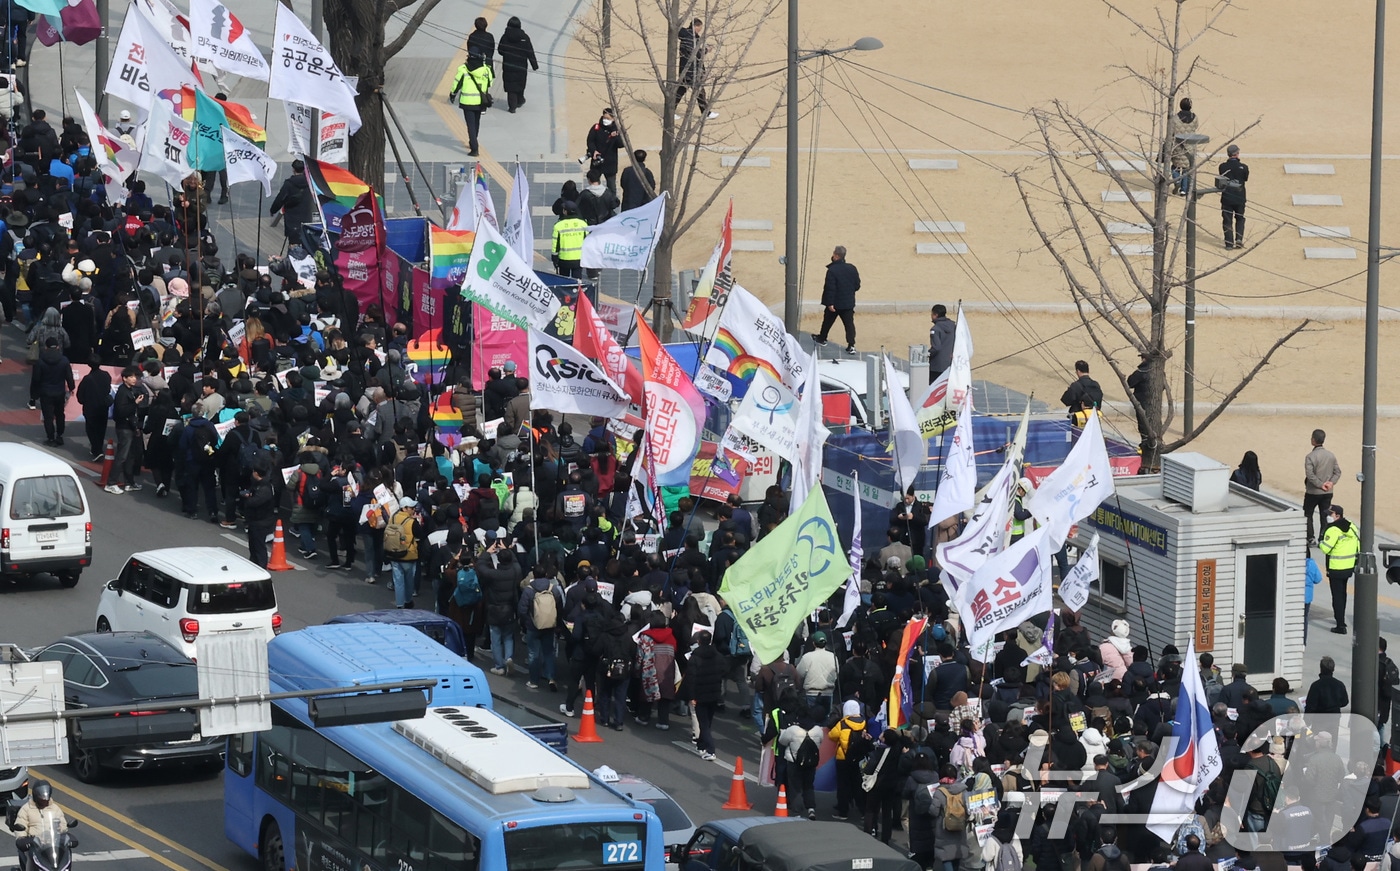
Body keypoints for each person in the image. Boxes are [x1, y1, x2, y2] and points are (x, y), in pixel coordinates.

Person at [810, 245, 861, 354]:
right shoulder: (852, 268)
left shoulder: (832, 270)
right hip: (848, 303)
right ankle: (851, 345)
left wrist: (830, 303)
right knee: (849, 325)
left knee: (827, 322)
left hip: (835, 303)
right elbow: (857, 285)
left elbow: (830, 288)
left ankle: (822, 338)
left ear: (836, 256)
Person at [1318, 504, 1359, 634]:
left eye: (1330, 514)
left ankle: (1340, 625)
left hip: (1336, 567)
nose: (1327, 516)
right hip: (1348, 565)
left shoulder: (1333, 530)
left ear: (1337, 516)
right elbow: (1358, 542)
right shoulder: (1351, 525)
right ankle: (1341, 618)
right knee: (1343, 594)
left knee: (1337, 596)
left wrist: (1320, 541)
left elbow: (1325, 548)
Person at [12, 780, 70, 868]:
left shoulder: (55, 809)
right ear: (36, 797)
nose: (45, 801)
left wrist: (63, 834)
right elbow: (21, 825)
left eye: (46, 799)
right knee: (31, 862)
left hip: (52, 845)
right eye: (42, 799)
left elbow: (63, 825)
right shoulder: (26, 809)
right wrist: (22, 839)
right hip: (34, 846)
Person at [30, 337, 73, 446]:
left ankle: (50, 438)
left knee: (48, 417)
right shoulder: (64, 360)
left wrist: (34, 394)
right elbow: (69, 377)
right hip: (59, 392)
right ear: (58, 347)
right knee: (60, 414)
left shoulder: (40, 361)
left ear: (46, 347)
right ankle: (60, 435)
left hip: (46, 392)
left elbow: (36, 379)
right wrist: (71, 387)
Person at [450, 52, 493, 157]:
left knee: (470, 125)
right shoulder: (486, 69)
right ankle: (474, 141)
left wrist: (452, 94)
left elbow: (457, 83)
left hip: (467, 101)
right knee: (476, 123)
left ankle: (474, 148)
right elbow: (490, 83)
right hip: (480, 101)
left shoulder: (463, 69)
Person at [1303, 429, 1340, 545]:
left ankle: (1310, 537)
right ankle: (1323, 538)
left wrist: (1320, 484)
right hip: (1328, 492)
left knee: (1308, 514)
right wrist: (1330, 483)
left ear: (1313, 440)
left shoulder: (1310, 457)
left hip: (1313, 491)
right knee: (1325, 515)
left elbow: (1310, 475)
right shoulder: (1331, 455)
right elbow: (1337, 472)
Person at [676, 18, 717, 119]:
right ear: (696, 26)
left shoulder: (689, 37)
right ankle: (706, 113)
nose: (700, 30)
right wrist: (706, 50)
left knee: (681, 91)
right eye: (700, 28)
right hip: (690, 70)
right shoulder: (690, 37)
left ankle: (669, 111)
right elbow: (694, 53)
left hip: (687, 69)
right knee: (699, 91)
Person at [497, 17, 538, 113]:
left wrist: (507, 54)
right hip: (521, 66)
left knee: (510, 86)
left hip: (508, 66)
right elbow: (530, 52)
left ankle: (512, 107)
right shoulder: (524, 37)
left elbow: (500, 50)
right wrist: (534, 65)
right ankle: (520, 100)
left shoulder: (505, 37)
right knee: (520, 84)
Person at [269, 159, 313, 246]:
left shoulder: (289, 184)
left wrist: (273, 210)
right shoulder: (309, 182)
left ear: (293, 169)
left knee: (293, 241)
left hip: (292, 217)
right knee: (305, 240)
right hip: (306, 215)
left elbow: (280, 198)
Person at [240, 465, 277, 569]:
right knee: (253, 545)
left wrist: (248, 498)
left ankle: (261, 567)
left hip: (261, 521)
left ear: (256, 473)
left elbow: (255, 502)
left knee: (259, 546)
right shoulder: (258, 485)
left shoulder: (264, 488)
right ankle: (254, 564)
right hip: (255, 520)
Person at [584, 108, 624, 192]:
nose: (606, 120)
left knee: (611, 186)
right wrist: (593, 150)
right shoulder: (596, 127)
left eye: (608, 118)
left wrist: (616, 136)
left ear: (613, 119)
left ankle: (611, 203)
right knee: (593, 184)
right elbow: (590, 141)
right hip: (597, 161)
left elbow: (621, 144)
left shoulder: (617, 130)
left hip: (610, 162)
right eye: (604, 118)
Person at [1218, 143, 1249, 249]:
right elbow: (1245, 178)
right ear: (1237, 154)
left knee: (1227, 219)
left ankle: (1229, 243)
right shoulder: (1244, 167)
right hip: (1240, 196)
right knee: (1240, 218)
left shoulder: (1222, 167)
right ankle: (1239, 239)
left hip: (1226, 197)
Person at [1170, 97, 1199, 196]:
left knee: (1175, 167)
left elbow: (1171, 131)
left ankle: (1177, 181)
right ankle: (1183, 189)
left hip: (1178, 146)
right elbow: (1196, 126)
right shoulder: (1194, 118)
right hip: (1190, 146)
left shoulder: (1175, 118)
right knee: (1187, 169)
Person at [551, 205, 587, 279]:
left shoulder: (558, 225)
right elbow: (588, 241)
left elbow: (555, 244)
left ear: (565, 211)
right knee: (577, 281)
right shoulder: (583, 224)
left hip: (564, 260)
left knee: (564, 281)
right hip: (579, 258)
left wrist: (554, 257)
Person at [1125, 353, 1152, 451]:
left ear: (1144, 359)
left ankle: (1145, 444)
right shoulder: (1159, 371)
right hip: (1153, 403)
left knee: (1142, 424)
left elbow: (1130, 383)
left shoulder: (1140, 372)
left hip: (1141, 402)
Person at [928, 304, 955, 380]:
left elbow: (936, 348)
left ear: (935, 315)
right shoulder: (953, 326)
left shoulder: (935, 329)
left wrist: (927, 354)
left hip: (937, 366)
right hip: (950, 364)